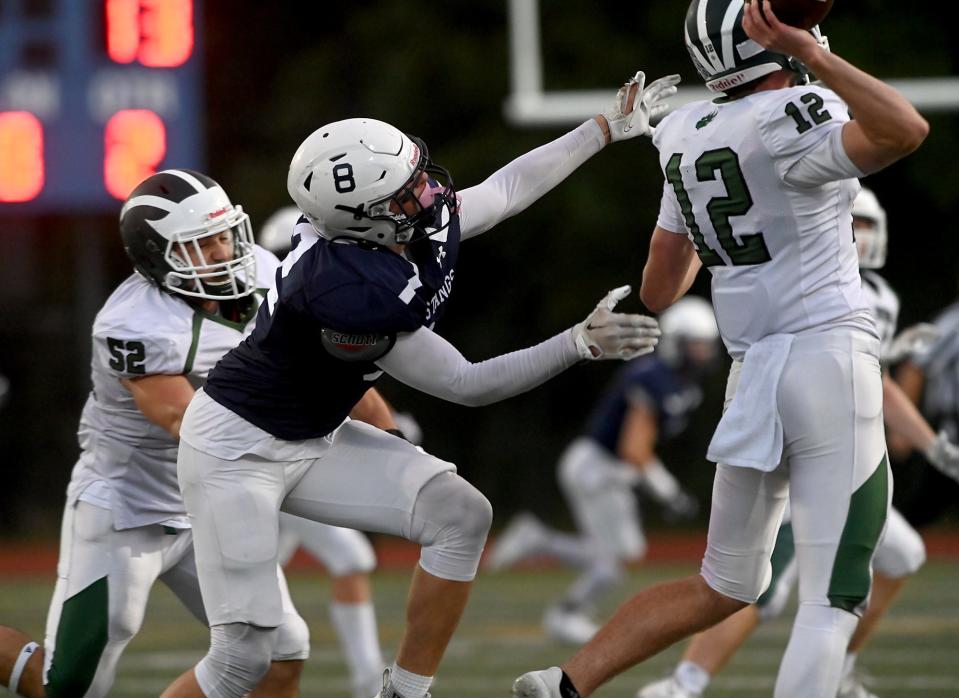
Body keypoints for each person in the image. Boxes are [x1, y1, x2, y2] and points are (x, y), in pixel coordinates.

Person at [157, 69, 678, 698]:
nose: (428, 193)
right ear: (362, 221)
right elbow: (466, 383)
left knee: (460, 515)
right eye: (406, 193)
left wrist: (602, 130)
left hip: (309, 433)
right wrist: (577, 343)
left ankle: (404, 691)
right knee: (245, 656)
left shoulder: (392, 227)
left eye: (417, 176)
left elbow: (506, 190)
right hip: (233, 453)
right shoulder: (343, 291)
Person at [512, 1, 929, 697]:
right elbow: (903, 130)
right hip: (828, 357)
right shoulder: (798, 106)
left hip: (754, 371)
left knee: (724, 583)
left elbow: (660, 283)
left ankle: (563, 684)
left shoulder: (682, 132)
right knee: (833, 597)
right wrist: (819, 60)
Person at [636, 187, 959, 698]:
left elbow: (861, 370)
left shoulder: (865, 291)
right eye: (854, 222)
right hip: (808, 446)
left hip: (832, 446)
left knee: (901, 554)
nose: (861, 235)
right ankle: (683, 683)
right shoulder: (837, 282)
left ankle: (839, 668)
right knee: (764, 584)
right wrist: (927, 438)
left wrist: (887, 359)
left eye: (869, 225)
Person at [0, 169, 311, 698]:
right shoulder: (135, 323)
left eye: (222, 235)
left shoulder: (265, 272)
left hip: (208, 503)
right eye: (200, 244)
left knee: (281, 654)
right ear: (156, 258)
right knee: (69, 685)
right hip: (129, 509)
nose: (221, 252)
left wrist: (388, 435)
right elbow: (190, 424)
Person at [485, 296, 718, 645]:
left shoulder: (675, 382)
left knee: (623, 552)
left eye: (706, 345)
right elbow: (633, 449)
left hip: (604, 469)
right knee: (612, 560)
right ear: (676, 343)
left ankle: (539, 541)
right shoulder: (653, 377)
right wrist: (669, 492)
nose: (702, 353)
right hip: (596, 468)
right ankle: (566, 614)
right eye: (695, 345)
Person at [259, 206, 389, 698]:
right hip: (272, 461)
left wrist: (388, 428)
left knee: (257, 604)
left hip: (279, 461)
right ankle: (367, 684)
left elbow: (353, 383)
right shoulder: (287, 313)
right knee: (348, 558)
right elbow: (346, 387)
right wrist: (389, 431)